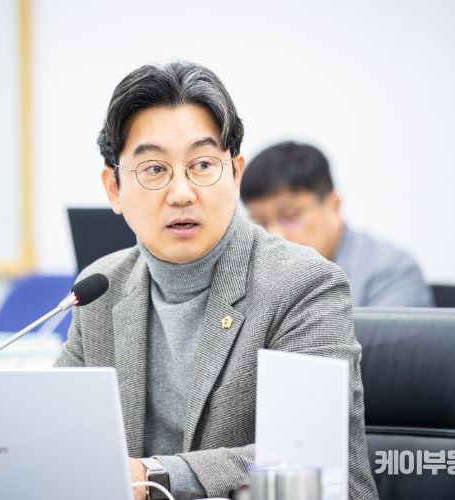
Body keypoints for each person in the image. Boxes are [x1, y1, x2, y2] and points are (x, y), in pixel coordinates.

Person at [55, 62, 379, 500]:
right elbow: (62, 442)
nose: (181, 193)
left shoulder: (304, 285)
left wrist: (155, 476)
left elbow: (317, 469)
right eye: (154, 169)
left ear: (235, 174)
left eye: (203, 165)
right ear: (114, 189)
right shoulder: (100, 289)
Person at [241, 142, 434, 307]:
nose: (274, 234)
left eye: (289, 217)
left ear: (334, 207)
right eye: (260, 221)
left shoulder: (389, 270)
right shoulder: (248, 273)